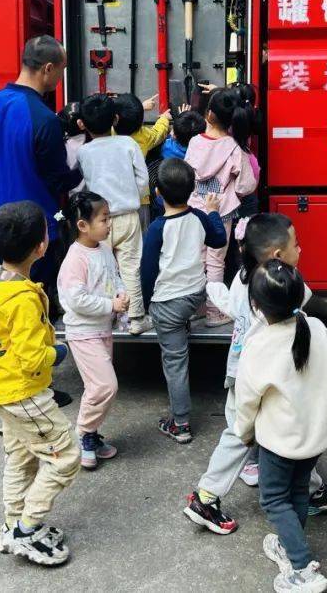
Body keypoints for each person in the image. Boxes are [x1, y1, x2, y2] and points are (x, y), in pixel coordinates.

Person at [184, 214, 327, 535]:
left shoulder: (243, 277)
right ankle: (206, 496)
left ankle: (307, 490)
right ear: (277, 256)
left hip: (245, 370)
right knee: (257, 432)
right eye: (296, 244)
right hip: (260, 375)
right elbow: (301, 299)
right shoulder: (282, 288)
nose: (300, 250)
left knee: (276, 433)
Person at [0, 200, 80, 566]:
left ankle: (12, 522)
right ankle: (27, 530)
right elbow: (32, 358)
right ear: (40, 247)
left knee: (21, 456)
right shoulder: (23, 300)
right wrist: (57, 353)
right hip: (25, 392)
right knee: (66, 456)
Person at [236, 260, 327, 593]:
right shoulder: (317, 328)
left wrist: (245, 433)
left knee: (274, 499)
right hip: (316, 437)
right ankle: (289, 545)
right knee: (298, 490)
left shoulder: (258, 345)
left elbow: (246, 400)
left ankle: (302, 569)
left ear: (256, 306)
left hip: (278, 442)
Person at [0, 35, 81, 290]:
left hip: (0, 226)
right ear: (48, 68)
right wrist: (85, 166)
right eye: (61, 70)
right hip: (38, 233)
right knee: (35, 306)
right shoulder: (44, 119)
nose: (60, 78)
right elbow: (58, 179)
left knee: (8, 303)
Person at [140, 158, 227, 444]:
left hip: (169, 304)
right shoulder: (199, 218)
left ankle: (180, 424)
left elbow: (148, 270)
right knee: (180, 326)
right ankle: (182, 326)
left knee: (175, 362)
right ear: (192, 191)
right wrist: (213, 211)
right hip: (195, 296)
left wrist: (147, 304)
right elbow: (217, 240)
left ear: (157, 194)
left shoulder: (156, 228)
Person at [56, 191, 128, 470]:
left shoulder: (104, 249)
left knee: (99, 388)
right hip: (83, 331)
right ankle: (84, 433)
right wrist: (111, 303)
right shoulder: (76, 258)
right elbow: (75, 299)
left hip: (101, 328)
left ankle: (92, 433)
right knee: (104, 386)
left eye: (108, 218)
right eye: (104, 219)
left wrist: (121, 295)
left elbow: (115, 277)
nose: (109, 224)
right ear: (82, 225)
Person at [76, 93, 151, 334]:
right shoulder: (128, 144)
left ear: (83, 125)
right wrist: (133, 196)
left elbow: (84, 186)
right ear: (115, 119)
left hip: (99, 218)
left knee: (103, 268)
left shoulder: (84, 152)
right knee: (131, 267)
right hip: (129, 216)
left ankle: (108, 317)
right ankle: (136, 319)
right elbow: (143, 179)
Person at [185, 87, 258, 325]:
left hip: (195, 211)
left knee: (196, 260)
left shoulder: (195, 142)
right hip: (222, 215)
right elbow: (247, 186)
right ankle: (215, 312)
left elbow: (186, 176)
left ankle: (196, 307)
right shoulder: (235, 148)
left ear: (208, 115)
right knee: (216, 263)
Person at [114, 93, 171, 229]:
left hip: (114, 197)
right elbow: (159, 133)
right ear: (140, 122)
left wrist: (141, 108)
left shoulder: (109, 133)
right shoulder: (143, 136)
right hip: (139, 199)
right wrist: (164, 119)